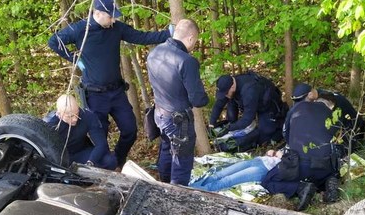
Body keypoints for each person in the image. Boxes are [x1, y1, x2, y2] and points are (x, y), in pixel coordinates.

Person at [48, 0, 171, 168]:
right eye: (110, 17)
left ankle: (118, 160)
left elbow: (141, 37)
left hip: (116, 92)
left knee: (130, 130)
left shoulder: (116, 28)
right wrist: (75, 59)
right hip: (94, 95)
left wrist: (169, 33)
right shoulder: (80, 30)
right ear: (97, 14)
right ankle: (105, 168)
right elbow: (54, 41)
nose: (113, 20)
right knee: (101, 136)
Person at [146, 19, 209, 186]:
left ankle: (164, 186)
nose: (194, 44)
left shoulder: (154, 53)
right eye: (195, 41)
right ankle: (176, 198)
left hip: (160, 115)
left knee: (166, 152)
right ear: (190, 38)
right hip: (179, 121)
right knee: (181, 162)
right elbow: (198, 99)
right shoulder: (186, 61)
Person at [262, 87, 343, 210]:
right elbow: (337, 140)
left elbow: (287, 137)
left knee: (267, 181)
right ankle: (329, 182)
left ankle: (300, 188)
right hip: (326, 165)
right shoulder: (329, 113)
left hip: (300, 165)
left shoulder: (295, 110)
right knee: (323, 170)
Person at [208, 72, 286, 152]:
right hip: (247, 101)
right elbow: (219, 105)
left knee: (264, 135)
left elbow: (247, 119)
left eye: (225, 93)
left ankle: (278, 127)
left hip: (267, 105)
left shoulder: (249, 90)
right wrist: (211, 124)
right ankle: (235, 126)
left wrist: (228, 128)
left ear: (232, 87)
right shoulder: (229, 85)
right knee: (231, 115)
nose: (225, 95)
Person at [43, 94, 117, 170]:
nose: (75, 119)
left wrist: (90, 163)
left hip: (81, 152)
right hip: (61, 157)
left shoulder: (87, 116)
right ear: (59, 114)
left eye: (77, 113)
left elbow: (101, 144)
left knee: (110, 160)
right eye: (70, 116)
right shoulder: (50, 125)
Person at [290, 83, 365, 148]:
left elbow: (331, 128)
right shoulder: (318, 96)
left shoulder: (328, 101)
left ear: (310, 95)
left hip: (349, 134)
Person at [189, 150, 283, 191]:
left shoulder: (296, 154)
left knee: (227, 181)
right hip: (258, 160)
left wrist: (283, 157)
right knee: (219, 174)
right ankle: (191, 188)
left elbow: (289, 170)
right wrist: (271, 152)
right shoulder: (290, 140)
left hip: (263, 169)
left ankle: (195, 192)